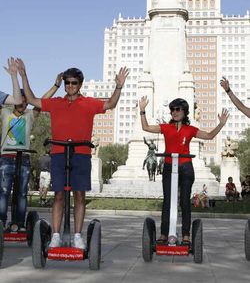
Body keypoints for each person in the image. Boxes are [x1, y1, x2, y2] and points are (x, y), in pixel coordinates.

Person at [22, 65, 129, 249]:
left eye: (74, 83)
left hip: (80, 154)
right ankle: (56, 235)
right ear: (64, 84)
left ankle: (78, 235)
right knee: (59, 195)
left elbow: (110, 104)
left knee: (79, 195)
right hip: (59, 153)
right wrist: (23, 75)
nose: (70, 86)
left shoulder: (89, 103)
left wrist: (118, 87)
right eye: (67, 82)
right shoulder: (56, 103)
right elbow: (32, 99)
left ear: (80, 84)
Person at [139, 96, 229, 244]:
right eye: (172, 110)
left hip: (186, 167)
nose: (174, 112)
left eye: (177, 109)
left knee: (185, 202)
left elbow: (209, 135)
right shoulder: (165, 127)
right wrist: (142, 110)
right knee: (167, 201)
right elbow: (146, 127)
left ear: (184, 111)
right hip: (169, 166)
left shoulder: (190, 129)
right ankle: (163, 234)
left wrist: (221, 124)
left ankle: (186, 235)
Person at [0, 58, 62, 230]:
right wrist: (15, 76)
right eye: (21, 101)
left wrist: (56, 86)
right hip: (6, 158)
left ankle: (18, 224)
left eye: (26, 102)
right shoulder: (5, 113)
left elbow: (43, 100)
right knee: (4, 193)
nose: (23, 104)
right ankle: (1, 223)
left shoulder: (30, 116)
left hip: (24, 158)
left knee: (21, 194)